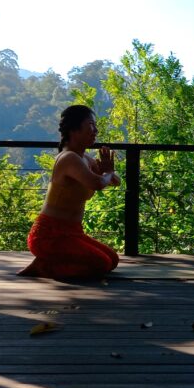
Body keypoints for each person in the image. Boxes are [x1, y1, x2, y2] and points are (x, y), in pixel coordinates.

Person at [18, 105, 121, 280]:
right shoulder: (69, 158)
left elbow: (115, 182)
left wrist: (108, 171)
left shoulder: (84, 158)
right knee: (101, 263)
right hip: (48, 236)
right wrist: (107, 174)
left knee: (112, 260)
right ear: (74, 130)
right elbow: (97, 183)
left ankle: (50, 262)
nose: (95, 130)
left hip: (72, 232)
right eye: (91, 125)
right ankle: (45, 265)